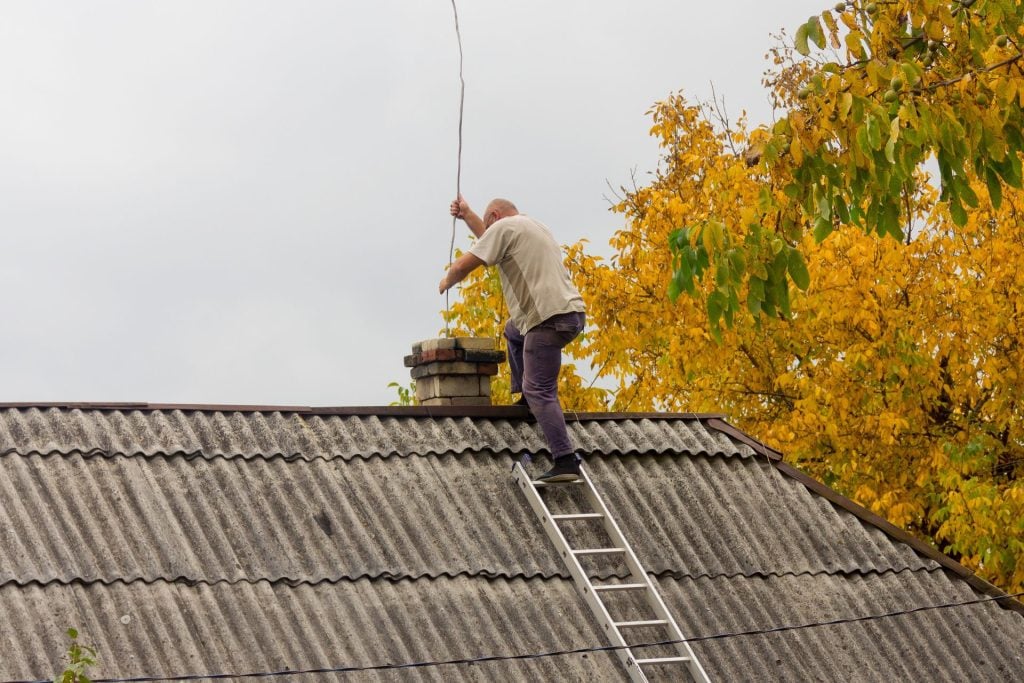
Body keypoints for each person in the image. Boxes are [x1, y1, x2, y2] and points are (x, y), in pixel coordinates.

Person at [440, 195, 586, 482]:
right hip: (569, 313)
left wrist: (447, 280)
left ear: (494, 216)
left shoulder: (503, 229)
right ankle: (526, 399)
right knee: (512, 330)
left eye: (486, 222)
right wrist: (468, 214)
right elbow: (488, 238)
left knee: (540, 389)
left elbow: (465, 264)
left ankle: (565, 459)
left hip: (547, 320)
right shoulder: (532, 226)